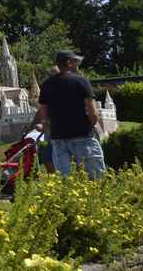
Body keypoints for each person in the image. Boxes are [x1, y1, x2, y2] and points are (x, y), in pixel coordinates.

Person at [35, 51, 106, 179]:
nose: (77, 65)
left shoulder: (46, 85)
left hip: (58, 138)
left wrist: (50, 127)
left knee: (64, 178)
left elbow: (44, 113)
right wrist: (91, 124)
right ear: (69, 63)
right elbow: (92, 111)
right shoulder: (81, 81)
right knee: (95, 176)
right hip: (82, 135)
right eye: (76, 62)